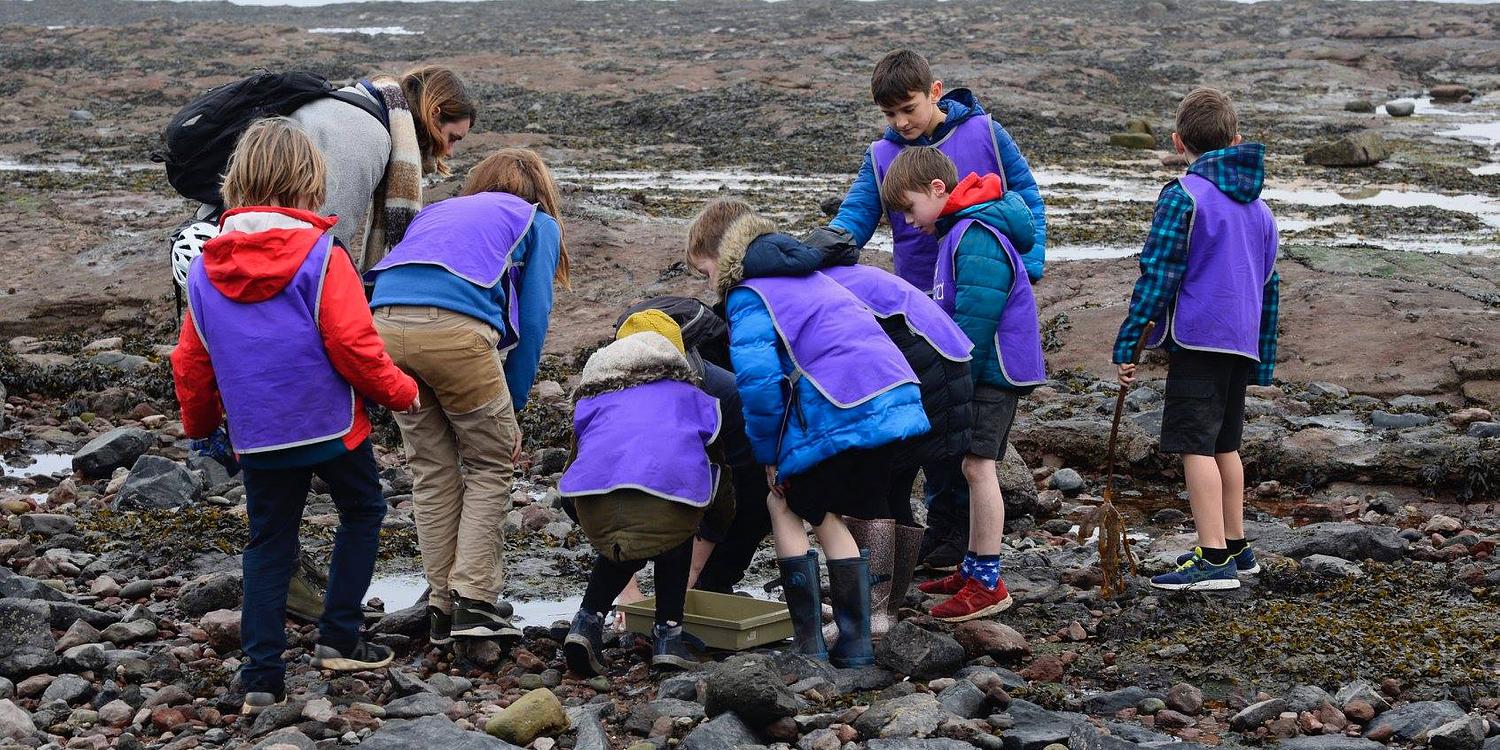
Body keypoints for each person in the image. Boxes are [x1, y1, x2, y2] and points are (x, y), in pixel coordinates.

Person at [170, 117, 419, 715]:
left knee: (269, 542)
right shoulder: (322, 254)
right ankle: (339, 637)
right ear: (311, 181)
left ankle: (261, 676)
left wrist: (200, 427)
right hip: (331, 426)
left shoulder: (204, 268)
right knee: (363, 509)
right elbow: (353, 345)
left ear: (236, 181)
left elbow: (191, 361)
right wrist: (401, 392)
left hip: (259, 435)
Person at [806, 49, 1048, 573]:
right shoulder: (882, 155)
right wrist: (812, 254)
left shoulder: (986, 133)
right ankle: (939, 533)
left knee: (961, 423)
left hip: (977, 291)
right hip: (917, 302)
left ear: (934, 92)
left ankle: (957, 538)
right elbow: (856, 215)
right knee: (931, 417)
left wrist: (1027, 267)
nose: (901, 122)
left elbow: (1026, 196)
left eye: (908, 109)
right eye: (889, 114)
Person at [686, 198, 930, 667]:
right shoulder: (809, 274)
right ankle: (856, 645)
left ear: (721, 254)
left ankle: (810, 645)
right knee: (826, 510)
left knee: (783, 502)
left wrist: (769, 458)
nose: (708, 283)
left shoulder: (749, 294)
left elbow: (760, 385)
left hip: (845, 409)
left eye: (705, 271)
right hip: (894, 400)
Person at [366, 148, 569, 644]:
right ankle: (474, 602)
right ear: (541, 191)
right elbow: (535, 317)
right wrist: (512, 407)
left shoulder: (437, 211)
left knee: (431, 470)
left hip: (384, 325)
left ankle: (440, 605)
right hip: (455, 331)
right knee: (490, 462)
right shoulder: (536, 221)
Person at [1113, 88, 1279, 592]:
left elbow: (1158, 275)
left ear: (1178, 142)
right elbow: (1268, 284)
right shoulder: (1261, 209)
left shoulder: (1183, 195)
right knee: (1225, 444)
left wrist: (1130, 344)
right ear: (1236, 140)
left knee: (1195, 448)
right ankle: (1237, 546)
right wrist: (1262, 358)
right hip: (1240, 343)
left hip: (1199, 340)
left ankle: (1213, 558)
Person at [879, 145, 1046, 621]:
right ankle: (971, 568)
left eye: (909, 208)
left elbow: (976, 317)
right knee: (972, 465)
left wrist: (957, 378)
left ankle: (988, 581)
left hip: (992, 370)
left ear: (937, 189)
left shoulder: (973, 233)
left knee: (978, 466)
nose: (908, 221)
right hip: (984, 368)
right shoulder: (957, 231)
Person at [559, 312, 735, 675]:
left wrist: (585, 519)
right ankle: (669, 635)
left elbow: (573, 468)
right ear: (677, 355)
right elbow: (717, 471)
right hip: (670, 511)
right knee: (672, 532)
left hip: (593, 505)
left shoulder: (592, 399)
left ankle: (586, 622)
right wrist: (716, 521)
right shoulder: (693, 397)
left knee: (624, 540)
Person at [291, 65, 476, 271]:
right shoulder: (367, 133)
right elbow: (328, 233)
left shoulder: (357, 102)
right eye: (452, 138)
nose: (450, 152)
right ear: (434, 114)